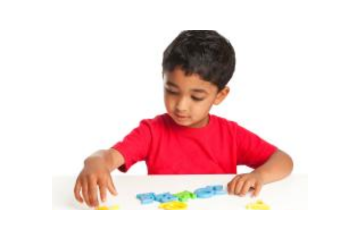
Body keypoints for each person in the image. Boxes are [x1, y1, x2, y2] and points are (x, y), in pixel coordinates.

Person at [74, 30, 293, 207]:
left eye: (196, 96)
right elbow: (111, 157)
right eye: (171, 90)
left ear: (220, 95)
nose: (180, 105)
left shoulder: (231, 135)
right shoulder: (151, 131)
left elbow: (283, 160)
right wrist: (96, 161)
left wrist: (259, 176)